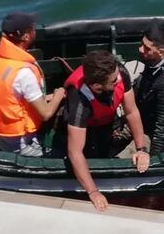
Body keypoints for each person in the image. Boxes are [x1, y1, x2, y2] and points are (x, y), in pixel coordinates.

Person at [59, 49, 149, 212]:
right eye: (114, 81)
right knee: (87, 156)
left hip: (107, 123)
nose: (119, 80)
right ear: (96, 85)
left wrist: (141, 149)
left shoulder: (119, 72)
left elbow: (131, 111)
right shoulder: (79, 100)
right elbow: (75, 152)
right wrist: (93, 192)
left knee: (107, 149)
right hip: (83, 128)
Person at [0, 12, 65, 156]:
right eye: (33, 28)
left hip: (2, 135)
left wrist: (46, 98)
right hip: (20, 141)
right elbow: (45, 114)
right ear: (26, 36)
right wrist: (59, 95)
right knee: (63, 153)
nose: (35, 31)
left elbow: (12, 95)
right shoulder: (23, 73)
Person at [115, 24, 164, 158]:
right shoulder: (154, 63)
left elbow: (163, 130)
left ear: (161, 51)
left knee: (119, 161)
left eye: (147, 48)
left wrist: (152, 159)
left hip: (152, 133)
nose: (140, 49)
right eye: (142, 44)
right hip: (142, 118)